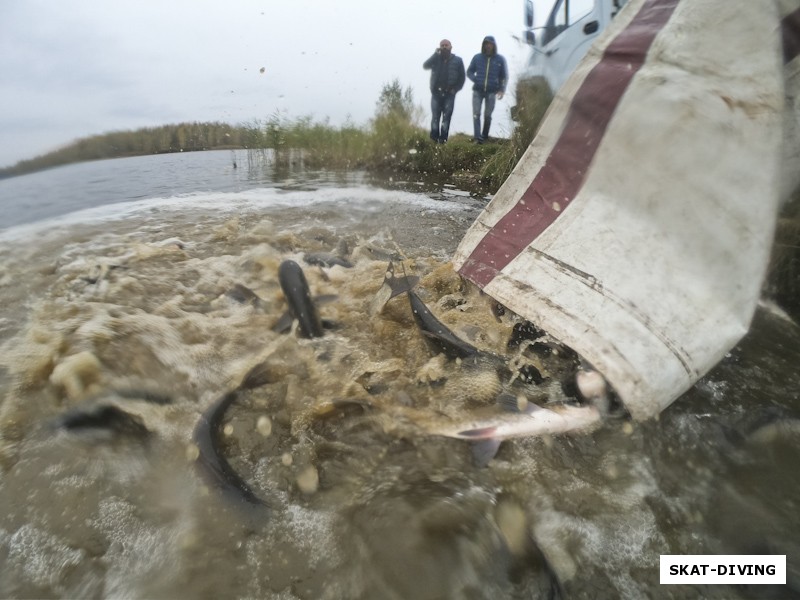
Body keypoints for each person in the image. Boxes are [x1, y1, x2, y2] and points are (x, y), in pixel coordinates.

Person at [423, 39, 466, 144]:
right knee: (435, 117)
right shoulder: (436, 59)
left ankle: (442, 141)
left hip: (449, 94)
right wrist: (435, 54)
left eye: (446, 45)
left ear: (451, 47)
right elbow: (425, 66)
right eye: (442, 45)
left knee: (446, 117)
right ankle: (433, 140)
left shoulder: (458, 60)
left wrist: (455, 90)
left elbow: (462, 78)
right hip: (436, 93)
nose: (444, 47)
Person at [466, 36, 508, 143]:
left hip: (491, 91)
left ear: (494, 45)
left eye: (490, 43)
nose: (488, 45)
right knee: (476, 114)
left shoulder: (500, 59)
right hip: (477, 91)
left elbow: (503, 76)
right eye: (486, 43)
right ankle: (477, 137)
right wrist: (476, 79)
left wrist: (502, 89)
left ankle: (484, 136)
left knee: (488, 115)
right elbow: (469, 71)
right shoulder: (477, 58)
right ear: (483, 45)